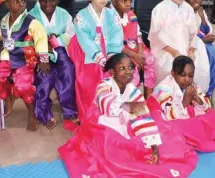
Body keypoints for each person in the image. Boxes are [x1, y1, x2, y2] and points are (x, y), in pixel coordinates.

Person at [58, 54, 198, 178]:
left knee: (142, 144)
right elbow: (106, 106)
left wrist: (154, 146)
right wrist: (129, 106)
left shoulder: (133, 92)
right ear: (112, 72)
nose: (128, 71)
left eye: (130, 67)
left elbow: (143, 119)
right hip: (99, 125)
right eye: (122, 68)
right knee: (108, 144)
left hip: (123, 124)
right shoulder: (104, 85)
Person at [0, 0, 50, 132]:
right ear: (7, 4)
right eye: (16, 2)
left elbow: (41, 39)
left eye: (23, 1)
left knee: (23, 86)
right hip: (7, 58)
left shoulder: (32, 22)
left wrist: (44, 59)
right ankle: (7, 97)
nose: (21, 4)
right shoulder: (4, 20)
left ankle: (31, 114)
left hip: (24, 59)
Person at [67, 0, 123, 121]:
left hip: (109, 53)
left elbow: (116, 34)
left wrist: (112, 55)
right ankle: (88, 117)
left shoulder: (112, 14)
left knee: (113, 82)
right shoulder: (81, 16)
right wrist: (98, 56)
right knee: (88, 85)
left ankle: (109, 114)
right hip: (88, 54)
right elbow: (84, 39)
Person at [148, 56, 215, 152]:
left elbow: (207, 108)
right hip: (166, 119)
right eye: (183, 75)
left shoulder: (192, 85)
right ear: (173, 73)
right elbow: (168, 115)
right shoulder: (163, 88)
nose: (187, 79)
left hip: (183, 116)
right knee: (179, 128)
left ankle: (197, 136)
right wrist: (185, 101)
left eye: (190, 76)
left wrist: (197, 99)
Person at [148, 0, 210, 93]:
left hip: (186, 48)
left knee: (199, 65)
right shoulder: (159, 9)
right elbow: (155, 36)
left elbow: (193, 33)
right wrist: (173, 51)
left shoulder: (188, 8)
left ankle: (193, 97)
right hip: (166, 51)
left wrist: (191, 48)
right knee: (172, 68)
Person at [29, 0, 78, 130]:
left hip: (60, 50)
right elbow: (28, 37)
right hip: (40, 55)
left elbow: (71, 33)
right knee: (44, 78)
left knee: (68, 71)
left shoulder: (64, 14)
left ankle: (70, 111)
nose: (47, 4)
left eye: (52, 0)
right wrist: (43, 44)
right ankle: (43, 113)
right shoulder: (31, 15)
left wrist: (55, 40)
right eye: (43, 0)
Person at [110, 0, 155, 98]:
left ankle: (148, 97)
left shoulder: (131, 14)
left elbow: (138, 35)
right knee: (132, 75)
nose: (128, 4)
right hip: (120, 52)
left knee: (150, 59)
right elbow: (115, 45)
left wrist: (139, 54)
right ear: (114, 2)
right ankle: (130, 99)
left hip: (135, 48)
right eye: (124, 1)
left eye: (130, 1)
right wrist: (135, 56)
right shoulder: (109, 17)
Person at [187, 0, 215, 97]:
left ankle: (209, 91)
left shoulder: (201, 12)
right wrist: (204, 39)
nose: (197, 0)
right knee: (206, 60)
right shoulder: (185, 12)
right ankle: (200, 91)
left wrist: (203, 18)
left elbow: (209, 31)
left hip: (203, 43)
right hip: (194, 44)